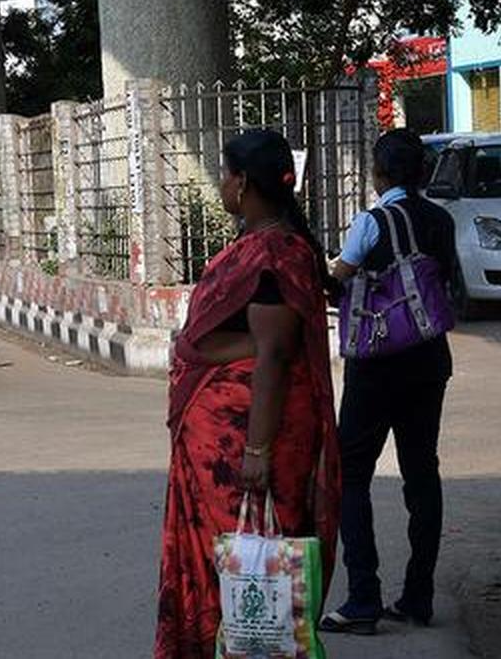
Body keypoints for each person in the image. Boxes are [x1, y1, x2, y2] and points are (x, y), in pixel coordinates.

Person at [155, 129, 342, 658]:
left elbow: (275, 354)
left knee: (247, 560)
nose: (221, 184)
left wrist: (256, 451)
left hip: (249, 443)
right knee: (237, 560)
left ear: (242, 182)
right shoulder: (266, 245)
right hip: (223, 438)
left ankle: (247, 647)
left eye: (224, 173)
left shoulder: (275, 255)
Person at [320, 129, 456, 635]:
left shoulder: (371, 223)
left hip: (376, 363)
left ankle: (362, 598)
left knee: (351, 473)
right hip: (428, 359)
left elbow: (341, 275)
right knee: (422, 472)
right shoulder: (440, 219)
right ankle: (418, 596)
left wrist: (329, 267)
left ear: (379, 174)